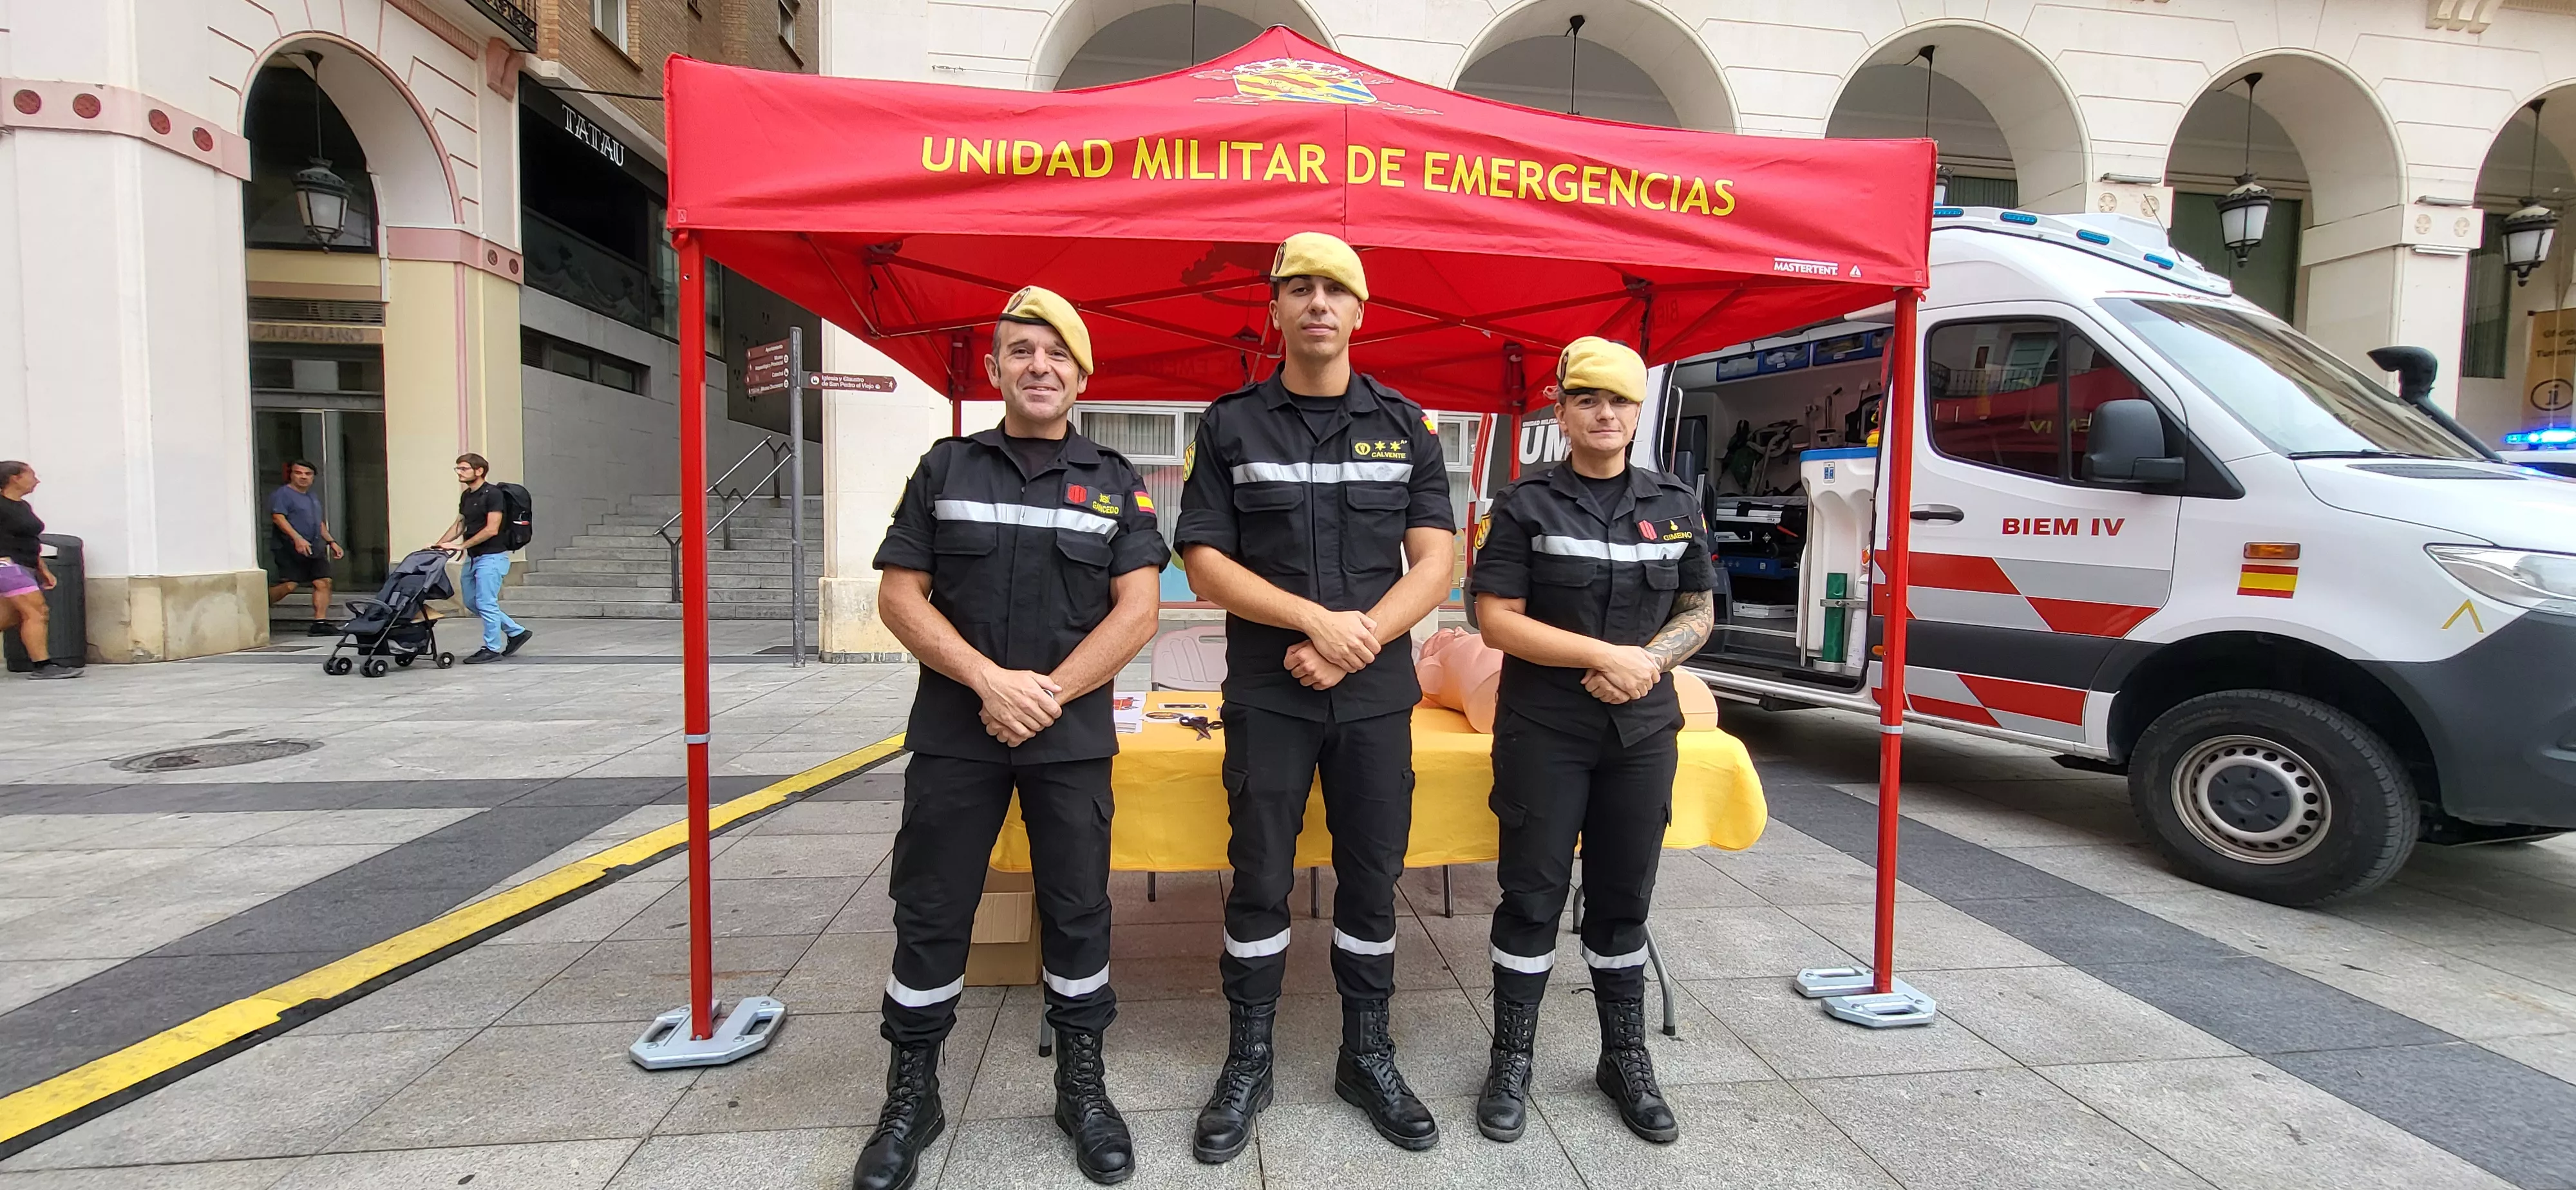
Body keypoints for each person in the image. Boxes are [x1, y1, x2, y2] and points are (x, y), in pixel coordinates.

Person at [857, 287, 1164, 1190]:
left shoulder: (1116, 481)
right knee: (933, 911)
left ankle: (1083, 1088)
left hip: (1069, 742)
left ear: (1082, 374)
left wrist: (1049, 694)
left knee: (1078, 910)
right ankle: (912, 1095)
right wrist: (989, 682)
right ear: (995, 368)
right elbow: (899, 596)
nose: (1040, 367)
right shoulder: (945, 468)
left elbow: (1139, 610)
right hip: (958, 731)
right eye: (1022, 351)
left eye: (1058, 354)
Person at [1174, 232, 1457, 1159]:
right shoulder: (1229, 426)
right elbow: (1205, 559)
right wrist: (1313, 622)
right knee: (1259, 875)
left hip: (1374, 694)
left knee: (1373, 876)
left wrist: (1353, 641)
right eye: (1298, 288)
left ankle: (1365, 1053)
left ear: (1361, 310)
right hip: (1271, 689)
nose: (1318, 303)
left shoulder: (1407, 424)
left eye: (1335, 288)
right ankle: (1248, 1057)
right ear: (1275, 310)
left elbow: (1437, 559)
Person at [1465, 337, 1714, 1146]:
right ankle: (1511, 1057)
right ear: (1562, 410)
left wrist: (1644, 663)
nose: (1604, 414)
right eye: (1587, 400)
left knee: (1622, 899)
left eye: (1619, 401)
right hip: (1546, 729)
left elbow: (1698, 610)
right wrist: (1604, 657)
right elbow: (1495, 619)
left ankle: (1624, 1058)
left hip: (1641, 730)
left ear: (1639, 411)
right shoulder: (1525, 503)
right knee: (1531, 896)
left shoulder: (1675, 502)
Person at [430, 453, 530, 665]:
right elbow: (460, 524)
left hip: (492, 557)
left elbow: (492, 529)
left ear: (479, 471)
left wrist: (461, 546)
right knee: (472, 602)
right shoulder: (467, 495)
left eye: (464, 469)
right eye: (457, 469)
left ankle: (491, 648)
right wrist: (438, 546)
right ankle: (516, 632)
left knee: (486, 602)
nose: (459, 473)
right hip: (474, 557)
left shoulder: (494, 495)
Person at [0, 461, 77, 679]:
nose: (37, 480)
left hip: (25, 565)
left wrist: (42, 568)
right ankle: (43, 666)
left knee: (11, 616)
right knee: (37, 612)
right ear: (15, 478)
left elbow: (30, 539)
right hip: (6, 566)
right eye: (31, 475)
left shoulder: (22, 506)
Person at [265, 460, 343, 634]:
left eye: (308, 474)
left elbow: (318, 522)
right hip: (289, 547)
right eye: (299, 473)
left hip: (314, 547)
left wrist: (331, 542)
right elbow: (278, 517)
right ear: (291, 475)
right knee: (289, 586)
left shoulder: (312, 497)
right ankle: (259, 606)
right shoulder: (283, 494)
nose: (303, 477)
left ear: (313, 477)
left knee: (323, 581)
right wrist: (297, 539)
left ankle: (320, 623)